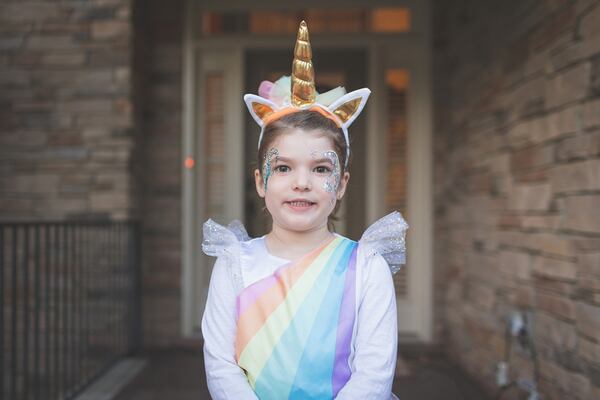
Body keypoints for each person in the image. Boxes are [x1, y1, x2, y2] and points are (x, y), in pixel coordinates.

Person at [201, 21, 408, 400]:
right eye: (283, 168)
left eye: (320, 168)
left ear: (342, 183)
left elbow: (374, 374)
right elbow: (221, 366)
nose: (301, 182)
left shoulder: (365, 267)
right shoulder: (234, 265)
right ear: (261, 182)